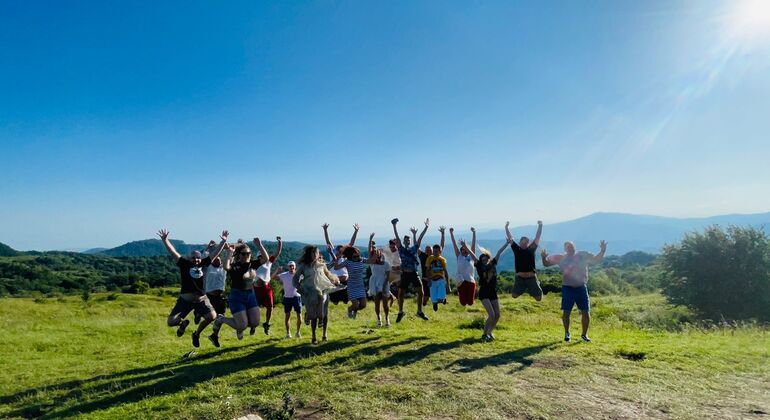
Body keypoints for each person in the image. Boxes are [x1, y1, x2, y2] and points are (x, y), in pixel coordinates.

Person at [157, 229, 229, 348]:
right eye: (193, 258)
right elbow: (172, 251)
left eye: (198, 258)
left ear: (201, 258)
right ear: (189, 258)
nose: (196, 260)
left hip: (201, 299)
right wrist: (165, 240)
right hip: (185, 301)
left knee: (212, 316)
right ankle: (183, 323)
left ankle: (196, 334)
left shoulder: (204, 263)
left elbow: (215, 253)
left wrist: (223, 242)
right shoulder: (184, 264)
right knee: (171, 322)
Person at [541, 240, 607, 343]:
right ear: (565, 249)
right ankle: (567, 333)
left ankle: (584, 335)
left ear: (575, 247)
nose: (571, 249)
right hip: (568, 288)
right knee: (566, 312)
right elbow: (546, 264)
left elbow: (596, 260)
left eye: (572, 247)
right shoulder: (561, 258)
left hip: (581, 287)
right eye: (568, 248)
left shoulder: (582, 255)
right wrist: (543, 257)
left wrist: (602, 250)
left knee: (585, 312)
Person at [209, 237, 270, 347]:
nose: (247, 255)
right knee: (242, 325)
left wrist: (260, 245)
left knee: (255, 322)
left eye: (248, 253)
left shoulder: (253, 264)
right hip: (237, 296)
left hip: (250, 295)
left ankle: (239, 326)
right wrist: (229, 252)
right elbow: (227, 267)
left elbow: (266, 258)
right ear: (239, 255)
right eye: (244, 254)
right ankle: (221, 319)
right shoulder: (235, 266)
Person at [462, 238, 511, 341]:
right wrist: (465, 246)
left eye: (486, 259)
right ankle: (485, 334)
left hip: (493, 291)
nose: (484, 261)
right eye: (482, 259)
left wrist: (507, 243)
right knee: (492, 315)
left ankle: (490, 332)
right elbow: (472, 254)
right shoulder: (479, 266)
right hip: (484, 292)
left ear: (489, 259)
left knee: (497, 315)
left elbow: (499, 252)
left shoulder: (493, 263)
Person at [293, 245, 340, 344]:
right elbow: (295, 278)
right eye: (314, 253)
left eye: (317, 253)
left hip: (322, 291)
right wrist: (300, 288)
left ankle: (324, 334)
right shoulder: (304, 266)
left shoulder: (322, 265)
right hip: (310, 292)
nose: (316, 254)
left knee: (324, 314)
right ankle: (313, 336)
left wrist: (335, 280)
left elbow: (328, 275)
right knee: (313, 317)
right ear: (310, 254)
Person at [333, 233, 382, 319]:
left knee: (363, 305)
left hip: (360, 285)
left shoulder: (361, 260)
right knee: (355, 304)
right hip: (352, 285)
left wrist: (375, 254)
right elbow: (336, 268)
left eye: (358, 255)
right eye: (355, 255)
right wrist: (337, 258)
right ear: (350, 256)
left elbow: (371, 261)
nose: (357, 256)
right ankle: (350, 309)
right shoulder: (348, 262)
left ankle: (354, 310)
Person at [391, 217, 430, 323]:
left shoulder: (414, 249)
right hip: (405, 274)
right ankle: (400, 312)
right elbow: (397, 237)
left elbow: (420, 238)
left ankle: (419, 311)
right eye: (406, 240)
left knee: (421, 292)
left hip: (414, 273)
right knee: (401, 293)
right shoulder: (401, 249)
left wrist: (426, 227)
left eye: (408, 241)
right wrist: (394, 226)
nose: (407, 242)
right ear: (404, 242)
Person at [506, 221, 544, 301]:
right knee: (514, 296)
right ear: (519, 243)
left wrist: (540, 225)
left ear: (528, 244)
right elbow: (510, 238)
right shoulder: (517, 249)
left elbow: (537, 237)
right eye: (522, 243)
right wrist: (506, 227)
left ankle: (532, 287)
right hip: (520, 278)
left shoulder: (531, 249)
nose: (524, 244)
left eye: (526, 243)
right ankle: (525, 288)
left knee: (539, 298)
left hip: (531, 277)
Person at [252, 236, 283, 335]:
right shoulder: (254, 265)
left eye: (263, 256)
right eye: (260, 256)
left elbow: (277, 253)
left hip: (266, 288)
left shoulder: (269, 263)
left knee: (270, 307)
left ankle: (267, 323)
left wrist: (280, 242)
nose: (262, 257)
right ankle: (253, 325)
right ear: (258, 258)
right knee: (254, 308)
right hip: (256, 289)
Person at [272, 261, 302, 339]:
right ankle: (288, 333)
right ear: (288, 267)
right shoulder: (284, 275)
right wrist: (277, 271)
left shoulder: (299, 275)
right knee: (287, 316)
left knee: (299, 315)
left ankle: (298, 332)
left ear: (295, 267)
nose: (291, 267)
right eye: (290, 266)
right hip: (287, 298)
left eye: (292, 266)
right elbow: (273, 277)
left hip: (297, 297)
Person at [367, 236, 392, 327]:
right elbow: (369, 252)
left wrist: (385, 286)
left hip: (384, 282)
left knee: (385, 304)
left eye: (379, 254)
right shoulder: (372, 263)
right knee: (377, 304)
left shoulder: (386, 264)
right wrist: (370, 240)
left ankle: (387, 318)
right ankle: (378, 318)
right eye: (376, 254)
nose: (378, 255)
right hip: (374, 283)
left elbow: (388, 276)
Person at [449, 227, 477, 306]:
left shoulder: (471, 256)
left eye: (466, 249)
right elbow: (454, 244)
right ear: (461, 251)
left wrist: (474, 232)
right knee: (463, 303)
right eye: (463, 250)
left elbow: (473, 244)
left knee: (470, 303)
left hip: (471, 281)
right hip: (461, 281)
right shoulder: (459, 256)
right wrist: (451, 233)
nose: (464, 251)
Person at [418, 226, 446, 306]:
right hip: (425, 279)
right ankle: (424, 303)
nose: (428, 251)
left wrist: (443, 234)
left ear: (432, 250)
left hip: (435, 279)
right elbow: (417, 244)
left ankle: (436, 302)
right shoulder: (422, 256)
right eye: (427, 249)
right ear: (425, 251)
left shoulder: (435, 255)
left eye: (430, 249)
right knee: (426, 297)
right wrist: (415, 234)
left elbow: (442, 246)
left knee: (437, 294)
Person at [202, 240, 227, 318]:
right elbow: (204, 256)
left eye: (218, 260)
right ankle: (198, 314)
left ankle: (215, 329)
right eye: (215, 259)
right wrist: (208, 247)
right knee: (209, 315)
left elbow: (229, 257)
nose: (217, 261)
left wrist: (227, 248)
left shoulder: (223, 268)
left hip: (220, 295)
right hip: (209, 295)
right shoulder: (209, 267)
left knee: (221, 315)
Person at [424, 244, 451, 312]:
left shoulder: (442, 260)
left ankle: (443, 299)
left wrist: (448, 285)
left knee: (440, 300)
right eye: (434, 251)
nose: (435, 252)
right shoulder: (430, 258)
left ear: (439, 251)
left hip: (440, 280)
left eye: (436, 251)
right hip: (432, 280)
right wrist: (429, 280)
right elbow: (427, 270)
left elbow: (445, 272)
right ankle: (435, 303)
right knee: (434, 300)